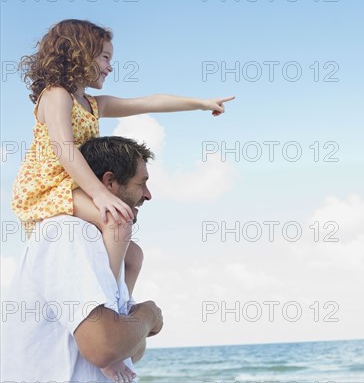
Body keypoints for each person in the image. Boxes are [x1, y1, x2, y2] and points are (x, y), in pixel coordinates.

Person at [10, 19, 234, 377]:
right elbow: (64, 148)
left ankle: (121, 311)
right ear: (79, 54)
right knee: (117, 220)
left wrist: (199, 102)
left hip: (79, 185)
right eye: (104, 57)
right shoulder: (56, 95)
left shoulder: (94, 104)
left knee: (134, 254)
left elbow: (148, 102)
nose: (110, 66)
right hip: (51, 188)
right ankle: (110, 326)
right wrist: (100, 195)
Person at [1, 136, 163, 382]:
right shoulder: (68, 233)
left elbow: (131, 350)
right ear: (109, 181)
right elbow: (104, 347)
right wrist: (149, 315)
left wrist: (131, 328)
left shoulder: (104, 244)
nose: (148, 195)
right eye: (141, 183)